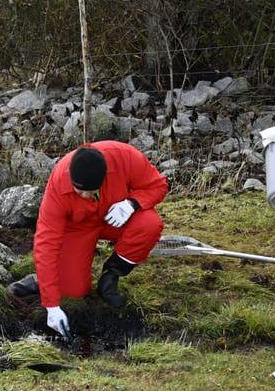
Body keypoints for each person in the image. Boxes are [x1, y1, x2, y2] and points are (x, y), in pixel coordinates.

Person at [10, 141, 168, 337]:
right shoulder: (58, 185)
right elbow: (46, 243)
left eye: (90, 191)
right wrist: (51, 306)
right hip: (77, 228)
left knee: (149, 224)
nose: (85, 196)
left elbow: (158, 185)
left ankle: (110, 278)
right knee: (74, 292)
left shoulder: (123, 156)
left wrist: (132, 203)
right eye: (79, 191)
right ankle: (41, 280)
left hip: (115, 216)